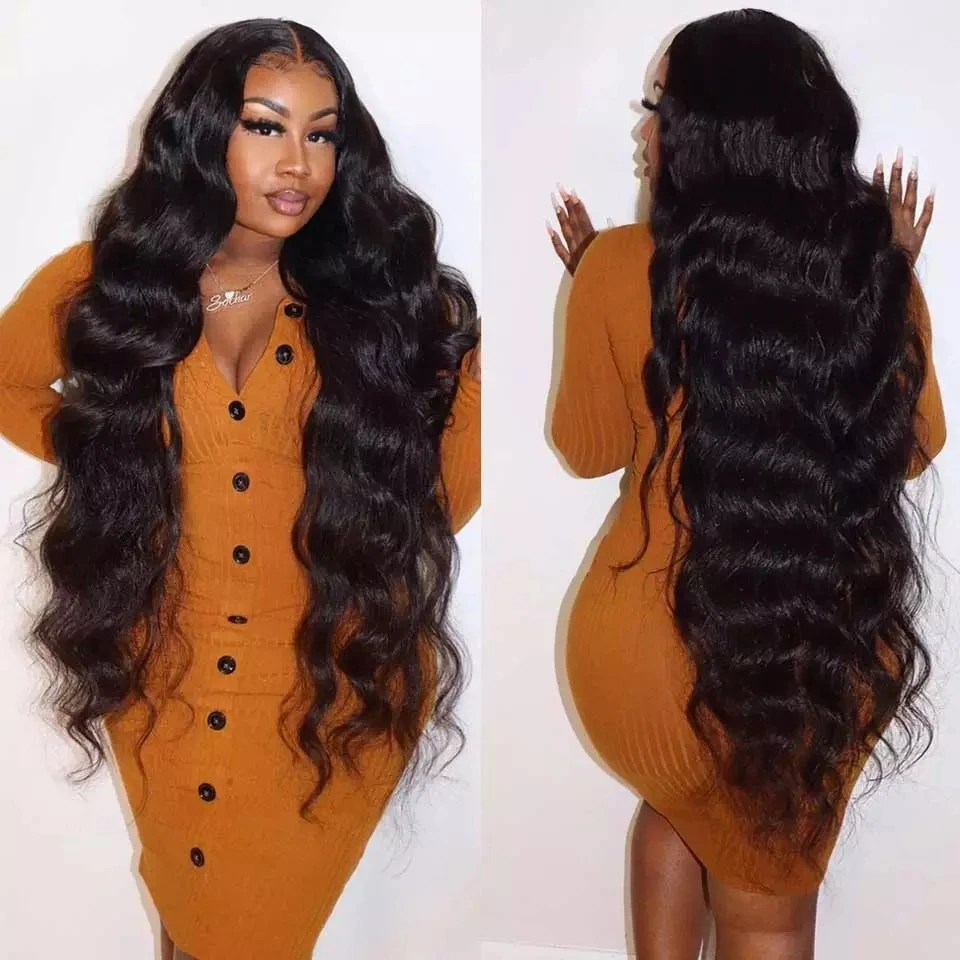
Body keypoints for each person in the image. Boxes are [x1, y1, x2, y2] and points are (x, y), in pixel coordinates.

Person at [0, 18, 479, 960]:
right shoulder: (112, 285)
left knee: (250, 935)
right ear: (203, 133)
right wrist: (116, 451)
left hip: (329, 690)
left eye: (322, 133)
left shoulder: (393, 303)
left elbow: (445, 498)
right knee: (192, 923)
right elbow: (11, 382)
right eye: (264, 126)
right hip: (164, 678)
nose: (297, 162)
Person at [547, 10, 943, 959]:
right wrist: (897, 279)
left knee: (682, 803)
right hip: (808, 659)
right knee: (767, 911)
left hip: (643, 665)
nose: (642, 131)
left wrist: (597, 289)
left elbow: (587, 448)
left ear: (709, 130)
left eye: (658, 107)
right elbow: (916, 448)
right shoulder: (872, 272)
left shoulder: (617, 265)